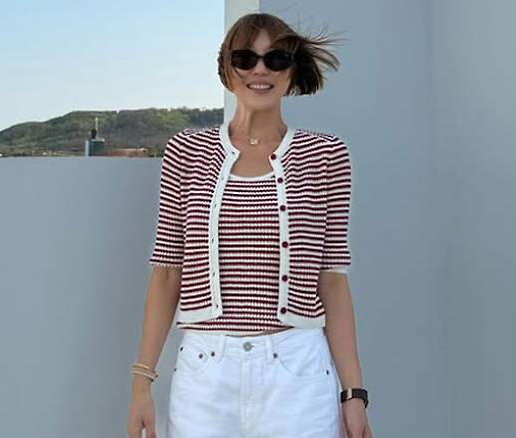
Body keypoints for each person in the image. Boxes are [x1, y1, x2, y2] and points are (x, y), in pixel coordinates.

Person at [126, 12, 372, 438]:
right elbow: (167, 272)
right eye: (245, 58)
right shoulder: (186, 151)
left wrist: (353, 394)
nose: (260, 70)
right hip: (205, 374)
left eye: (276, 59)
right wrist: (141, 383)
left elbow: (332, 280)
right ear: (227, 69)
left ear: (291, 72)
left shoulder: (326, 155)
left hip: (299, 371)